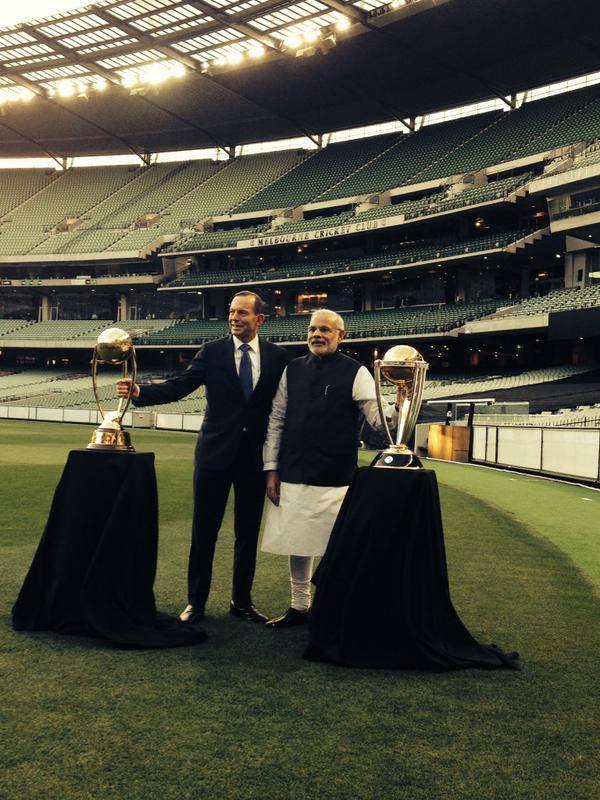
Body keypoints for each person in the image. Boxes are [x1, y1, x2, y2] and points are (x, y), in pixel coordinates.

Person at [116, 291, 288, 625]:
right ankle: (196, 602)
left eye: (242, 313)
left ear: (259, 320)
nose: (234, 318)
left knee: (247, 532)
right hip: (213, 455)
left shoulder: (278, 357)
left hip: (255, 458)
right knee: (203, 531)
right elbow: (180, 386)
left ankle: (242, 601)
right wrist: (141, 392)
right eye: (231, 312)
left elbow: (285, 406)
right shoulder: (212, 352)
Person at [261, 309, 398, 628]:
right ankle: (299, 606)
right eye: (312, 329)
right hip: (293, 472)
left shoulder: (356, 372)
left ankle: (334, 607)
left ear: (341, 336)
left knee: (337, 546)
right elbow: (277, 420)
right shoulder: (292, 369)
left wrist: (401, 402)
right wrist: (271, 468)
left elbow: (378, 420)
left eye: (325, 330)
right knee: (299, 542)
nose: (317, 335)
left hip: (337, 476)